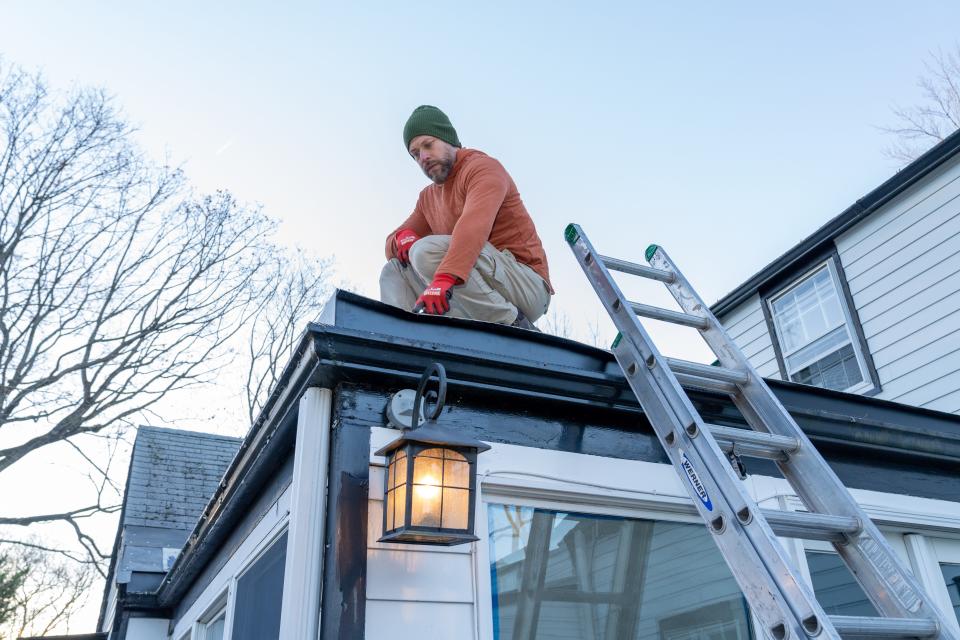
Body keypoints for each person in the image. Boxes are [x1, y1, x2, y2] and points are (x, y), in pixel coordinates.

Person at [380, 105, 553, 329]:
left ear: (449, 139)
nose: (423, 157)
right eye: (415, 154)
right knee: (394, 270)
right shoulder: (428, 197)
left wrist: (443, 278)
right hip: (472, 286)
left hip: (526, 286)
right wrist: (401, 238)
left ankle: (514, 325)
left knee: (425, 251)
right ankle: (406, 340)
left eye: (428, 145)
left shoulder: (483, 169)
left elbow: (473, 228)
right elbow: (390, 244)